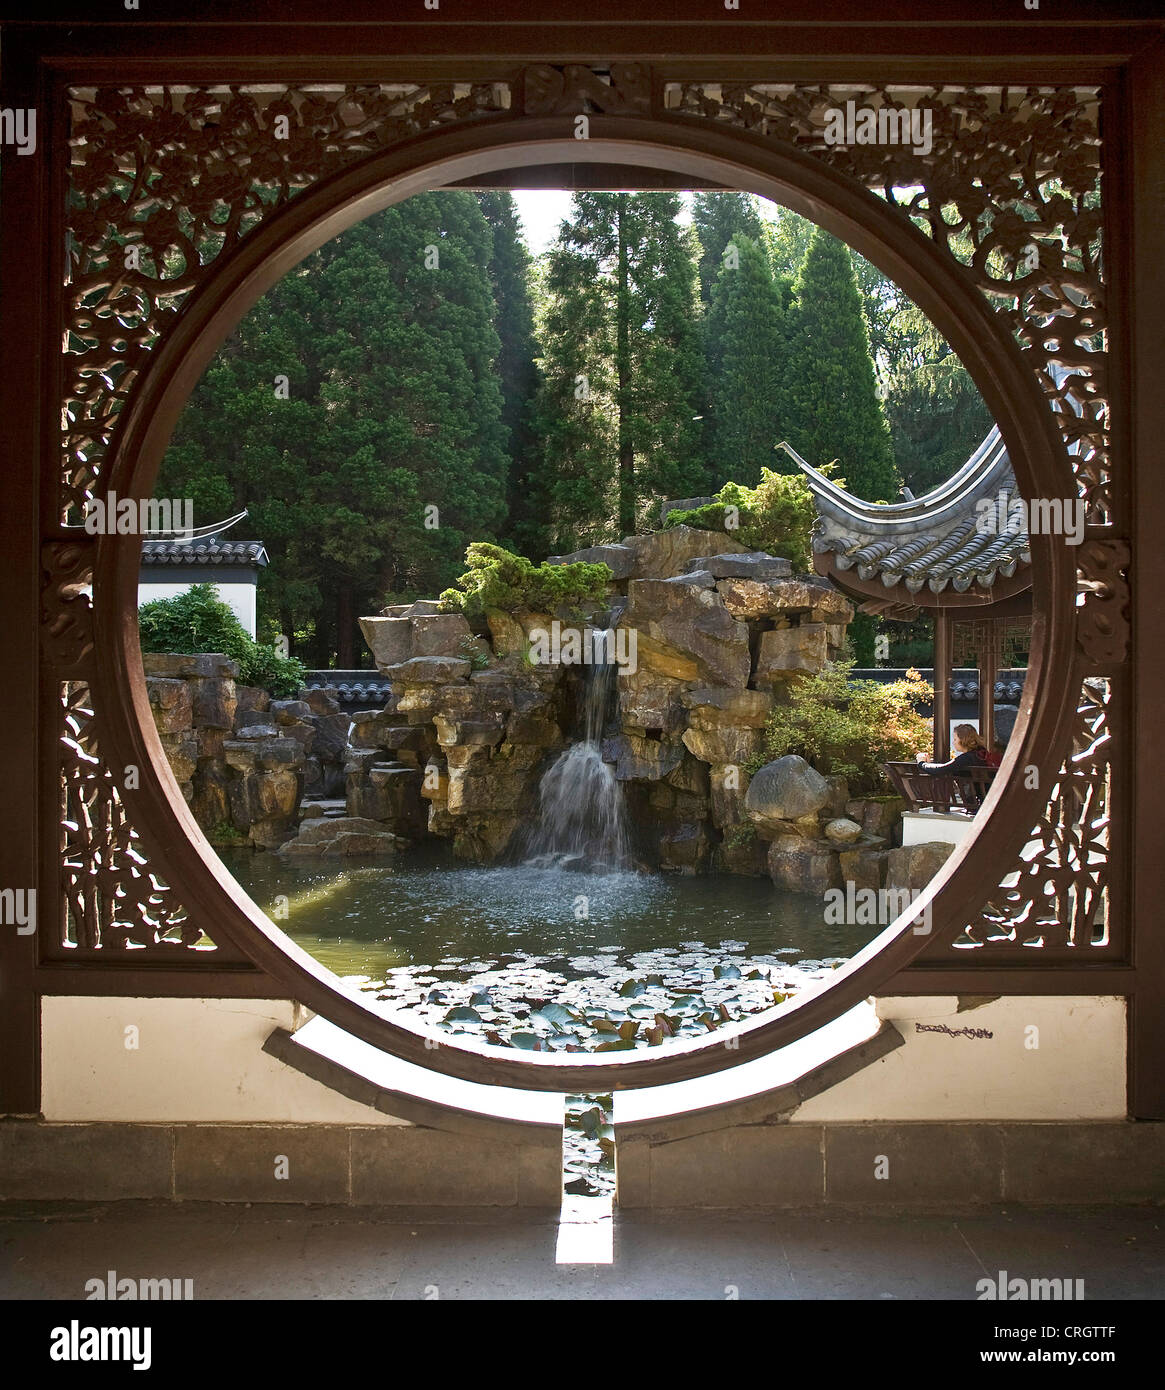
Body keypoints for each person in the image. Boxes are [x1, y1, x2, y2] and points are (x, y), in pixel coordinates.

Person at [915, 723, 1001, 774]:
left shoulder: (967, 758)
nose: (953, 742)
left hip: (975, 800)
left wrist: (922, 763)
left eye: (955, 739)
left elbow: (943, 769)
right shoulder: (981, 753)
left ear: (963, 740)